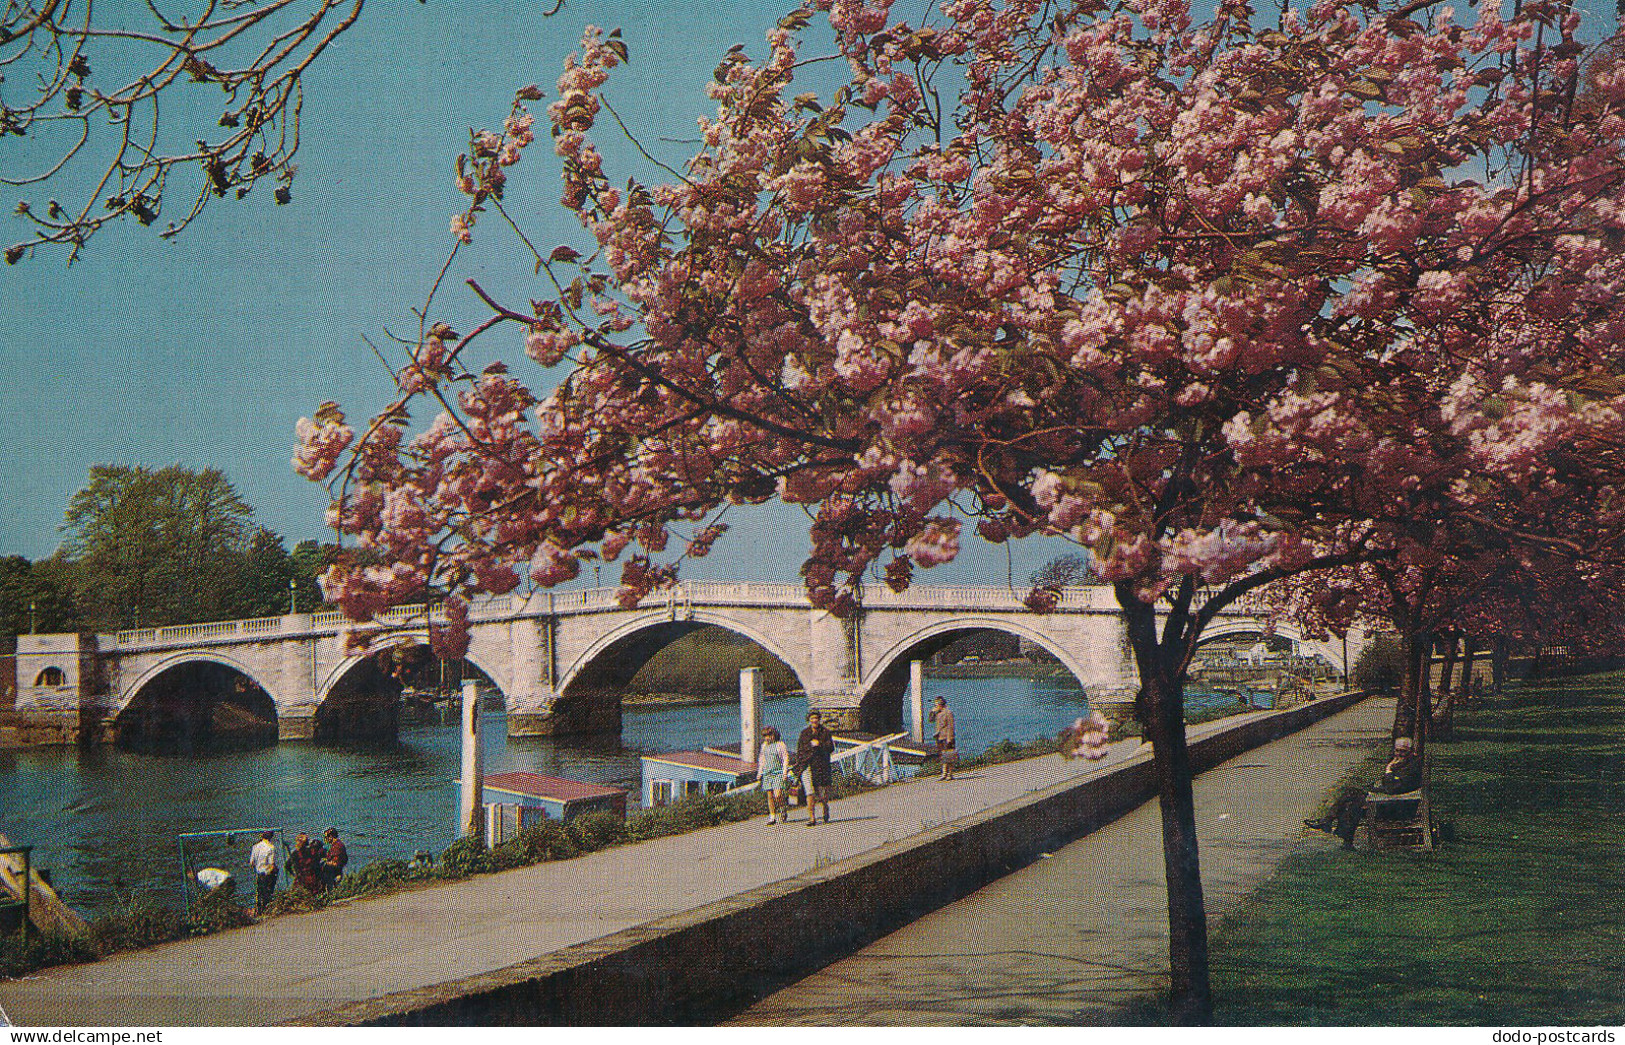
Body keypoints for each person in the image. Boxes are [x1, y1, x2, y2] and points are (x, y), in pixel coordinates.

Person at [1306, 738, 1424, 848]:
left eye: (1403, 751)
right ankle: (1334, 829)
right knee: (1352, 797)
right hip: (1395, 801)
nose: (1398, 754)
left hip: (1402, 808)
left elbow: (1392, 788)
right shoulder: (1405, 764)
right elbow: (1392, 786)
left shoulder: (1412, 767)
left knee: (1353, 800)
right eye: (1397, 751)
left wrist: (1389, 769)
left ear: (1411, 752)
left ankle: (1331, 826)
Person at [795, 710, 835, 826]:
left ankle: (825, 806)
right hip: (807, 765)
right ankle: (812, 818)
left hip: (821, 766)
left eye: (816, 718)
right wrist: (799, 764)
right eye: (812, 718)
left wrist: (820, 744)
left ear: (819, 719)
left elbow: (831, 748)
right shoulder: (804, 733)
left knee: (822, 794)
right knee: (810, 792)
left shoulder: (825, 732)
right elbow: (800, 750)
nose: (814, 721)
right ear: (809, 720)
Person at [757, 726, 792, 825]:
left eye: (769, 735)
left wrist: (785, 772)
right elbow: (762, 760)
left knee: (778, 794)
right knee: (770, 796)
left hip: (778, 772)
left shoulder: (780, 745)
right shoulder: (764, 746)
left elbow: (785, 758)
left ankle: (782, 808)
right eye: (765, 736)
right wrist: (760, 772)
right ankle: (772, 816)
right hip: (768, 773)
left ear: (774, 735)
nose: (767, 738)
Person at [249, 830, 278, 913]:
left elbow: (252, 862)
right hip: (267, 873)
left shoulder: (255, 847)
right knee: (268, 893)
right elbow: (271, 863)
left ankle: (259, 910)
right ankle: (267, 910)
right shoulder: (270, 847)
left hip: (259, 873)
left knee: (259, 893)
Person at [929, 696, 957, 780]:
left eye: (937, 705)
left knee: (949, 755)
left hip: (946, 736)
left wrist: (950, 738)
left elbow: (951, 726)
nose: (936, 706)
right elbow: (930, 720)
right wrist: (932, 712)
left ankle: (949, 774)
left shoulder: (948, 712)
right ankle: (944, 773)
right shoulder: (938, 713)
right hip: (939, 736)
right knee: (942, 755)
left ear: (941, 704)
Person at [320, 827, 349, 891]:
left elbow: (335, 862)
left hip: (334, 869)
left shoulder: (337, 846)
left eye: (326, 837)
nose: (325, 839)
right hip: (337, 868)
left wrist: (325, 862)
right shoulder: (337, 844)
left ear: (331, 836)